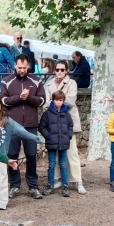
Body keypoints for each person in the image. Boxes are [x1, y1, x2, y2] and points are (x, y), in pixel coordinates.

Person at [0, 96, 41, 210]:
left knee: (2, 177)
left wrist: (33, 137)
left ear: (1, 107)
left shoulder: (7, 121)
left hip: (0, 155)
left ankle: (2, 201)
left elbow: (20, 130)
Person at [0, 54, 46, 199]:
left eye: (24, 68)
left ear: (28, 66)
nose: (21, 70)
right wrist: (20, 97)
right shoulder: (6, 81)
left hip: (30, 125)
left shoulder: (36, 81)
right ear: (15, 65)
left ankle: (33, 186)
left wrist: (29, 97)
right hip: (12, 126)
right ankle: (14, 185)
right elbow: (3, 101)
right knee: (12, 156)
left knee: (31, 155)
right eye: (19, 67)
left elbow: (42, 101)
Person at [43, 59, 87, 194]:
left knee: (72, 152)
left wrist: (54, 101)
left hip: (68, 122)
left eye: (62, 69)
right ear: (54, 70)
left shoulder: (72, 83)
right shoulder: (48, 83)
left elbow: (70, 100)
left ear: (67, 70)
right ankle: (58, 179)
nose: (60, 72)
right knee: (55, 153)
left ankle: (78, 181)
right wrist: (59, 101)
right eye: (57, 69)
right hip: (53, 123)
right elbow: (45, 102)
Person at [39, 90, 73, 197]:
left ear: (63, 101)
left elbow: (70, 126)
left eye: (61, 100)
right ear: (53, 100)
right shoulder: (47, 114)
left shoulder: (66, 114)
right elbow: (41, 127)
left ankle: (65, 186)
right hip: (51, 143)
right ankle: (50, 185)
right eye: (57, 100)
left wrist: (68, 136)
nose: (58, 102)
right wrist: (48, 136)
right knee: (52, 164)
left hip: (63, 143)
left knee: (63, 165)